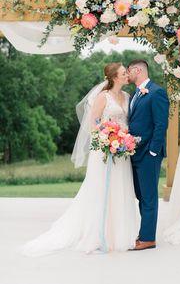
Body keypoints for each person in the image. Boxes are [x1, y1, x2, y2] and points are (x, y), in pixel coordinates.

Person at [19, 62, 139, 256]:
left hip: (123, 151)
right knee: (102, 190)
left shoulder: (126, 96)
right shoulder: (103, 97)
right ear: (114, 77)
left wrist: (123, 141)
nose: (127, 75)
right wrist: (107, 139)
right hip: (105, 150)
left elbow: (127, 123)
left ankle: (121, 233)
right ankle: (100, 234)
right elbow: (93, 124)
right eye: (124, 73)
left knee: (121, 189)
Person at [127, 59, 169, 251]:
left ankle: (147, 238)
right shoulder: (135, 94)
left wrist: (153, 150)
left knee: (149, 197)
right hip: (135, 152)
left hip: (149, 154)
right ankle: (144, 233)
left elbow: (161, 124)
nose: (127, 75)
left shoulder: (156, 92)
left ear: (137, 70)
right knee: (141, 195)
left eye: (129, 71)